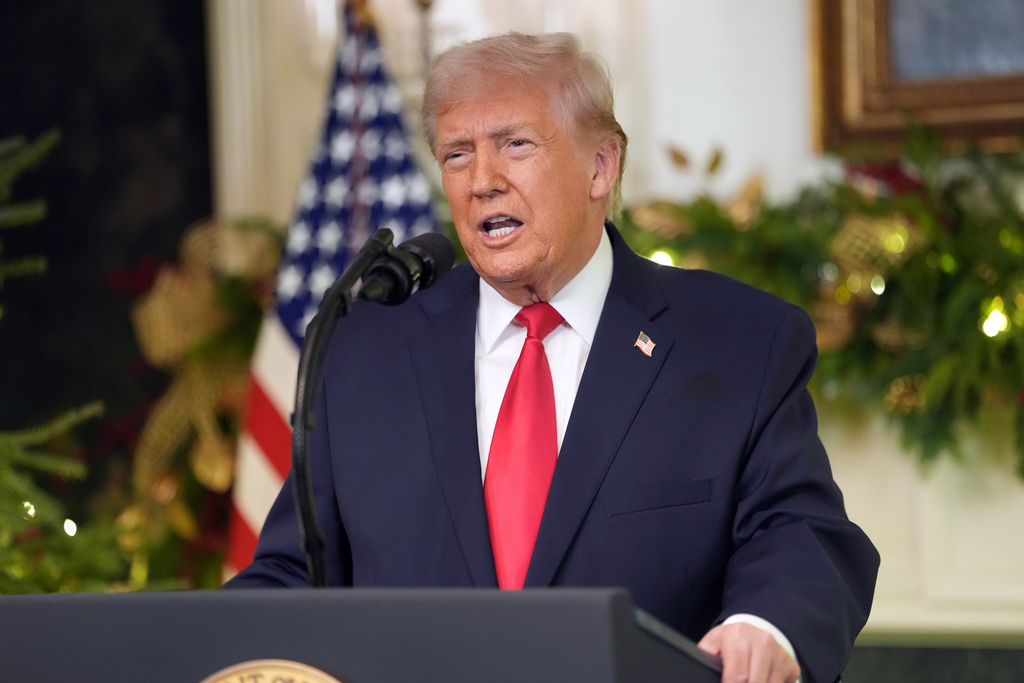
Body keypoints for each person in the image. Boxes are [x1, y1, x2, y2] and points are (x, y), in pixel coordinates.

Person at [226, 32, 879, 683]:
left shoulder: (738, 340)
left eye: (515, 144)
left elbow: (801, 532)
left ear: (601, 166)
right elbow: (295, 571)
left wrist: (765, 627)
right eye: (457, 154)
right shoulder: (368, 351)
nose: (483, 182)